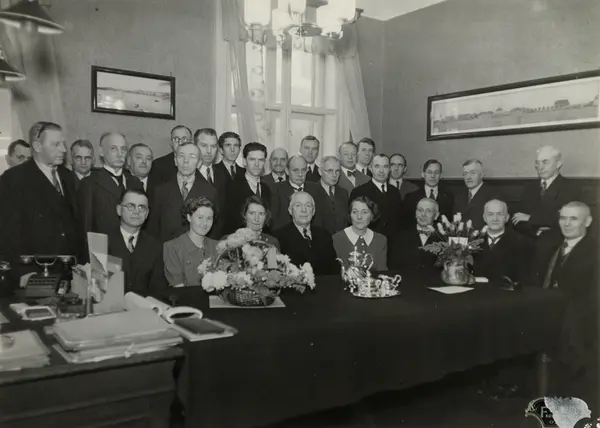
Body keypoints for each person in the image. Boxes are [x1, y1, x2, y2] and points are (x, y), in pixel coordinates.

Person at [0, 122, 82, 286]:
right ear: (37, 146)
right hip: (32, 274)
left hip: (67, 273)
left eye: (63, 144)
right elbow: (7, 232)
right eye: (56, 144)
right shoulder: (13, 179)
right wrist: (22, 271)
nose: (63, 149)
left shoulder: (68, 176)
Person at [531, 202, 598, 402]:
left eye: (573, 218)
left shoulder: (595, 251)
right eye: (563, 218)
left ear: (588, 221)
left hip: (579, 323)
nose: (566, 224)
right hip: (548, 316)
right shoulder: (551, 247)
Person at [79, 132, 143, 244]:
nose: (120, 154)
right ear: (101, 151)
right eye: (113, 149)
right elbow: (86, 226)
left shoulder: (135, 182)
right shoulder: (90, 183)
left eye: (123, 149)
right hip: (104, 248)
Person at [148, 143, 218, 243]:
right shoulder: (160, 191)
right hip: (166, 249)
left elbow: (213, 233)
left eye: (192, 156)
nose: (186, 161)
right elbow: (153, 229)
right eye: (181, 156)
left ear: (199, 163)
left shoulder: (210, 192)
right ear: (175, 161)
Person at [513, 146, 581, 238]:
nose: (540, 167)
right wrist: (537, 229)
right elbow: (518, 218)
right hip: (528, 239)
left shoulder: (571, 187)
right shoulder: (530, 187)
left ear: (558, 164)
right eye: (537, 163)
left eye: (545, 162)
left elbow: (564, 219)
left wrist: (531, 218)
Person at [108, 189, 166, 296]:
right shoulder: (103, 241)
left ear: (147, 213)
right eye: (130, 206)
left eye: (141, 207)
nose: (136, 212)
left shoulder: (155, 246)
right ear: (119, 210)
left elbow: (158, 289)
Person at [273, 191, 337, 275]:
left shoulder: (325, 235)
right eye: (298, 205)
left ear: (313, 211)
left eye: (308, 206)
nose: (304, 210)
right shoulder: (278, 237)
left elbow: (334, 270)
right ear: (290, 210)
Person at [163, 197, 218, 287]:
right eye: (200, 217)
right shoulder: (172, 247)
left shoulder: (217, 246)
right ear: (189, 217)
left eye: (209, 218)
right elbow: (178, 288)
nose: (205, 223)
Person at [350, 154, 404, 239]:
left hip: (394, 242)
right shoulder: (359, 192)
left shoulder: (395, 192)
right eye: (377, 166)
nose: (381, 171)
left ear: (389, 169)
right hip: (370, 241)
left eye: (385, 167)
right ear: (370, 168)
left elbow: (400, 220)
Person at [472, 199, 526, 284]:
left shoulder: (521, 242)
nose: (495, 219)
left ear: (507, 218)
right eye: (490, 214)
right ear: (484, 218)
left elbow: (524, 280)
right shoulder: (473, 240)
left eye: (500, 214)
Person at [225, 142, 272, 233]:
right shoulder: (232, 187)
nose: (257, 164)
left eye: (261, 160)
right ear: (244, 161)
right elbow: (229, 220)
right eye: (252, 159)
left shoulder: (266, 189)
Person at [388, 198, 442, 275]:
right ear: (416, 213)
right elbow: (393, 267)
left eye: (428, 211)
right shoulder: (399, 237)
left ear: (436, 215)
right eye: (420, 210)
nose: (423, 214)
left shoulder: (443, 238)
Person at [333, 196, 387, 271]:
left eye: (364, 212)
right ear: (350, 215)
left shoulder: (380, 240)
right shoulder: (336, 239)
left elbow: (382, 272)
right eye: (355, 212)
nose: (359, 217)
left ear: (372, 215)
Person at [194, 128, 227, 238]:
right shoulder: (189, 176)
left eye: (213, 146)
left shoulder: (222, 175)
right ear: (195, 146)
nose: (209, 151)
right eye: (204, 145)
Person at [270, 155, 317, 230]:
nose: (300, 174)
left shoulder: (315, 188)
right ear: (287, 171)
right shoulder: (275, 189)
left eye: (303, 170)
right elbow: (274, 221)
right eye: (295, 170)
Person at [453, 159, 499, 230]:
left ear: (482, 175)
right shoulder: (459, 194)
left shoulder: (493, 195)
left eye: (473, 173)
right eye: (465, 173)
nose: (468, 177)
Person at [310, 155, 349, 235]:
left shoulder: (344, 193)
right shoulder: (311, 192)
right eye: (330, 171)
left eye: (337, 171)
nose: (334, 175)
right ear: (320, 171)